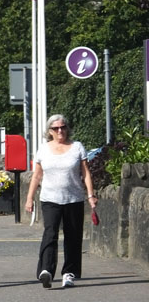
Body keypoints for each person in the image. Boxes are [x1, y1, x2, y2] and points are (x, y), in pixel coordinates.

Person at [25, 114, 97, 289]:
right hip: (50, 199)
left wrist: (90, 195)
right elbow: (36, 176)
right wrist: (29, 198)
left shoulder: (77, 147)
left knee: (73, 236)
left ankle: (69, 273)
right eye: (56, 128)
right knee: (50, 234)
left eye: (63, 127)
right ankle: (46, 271)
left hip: (74, 199)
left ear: (67, 128)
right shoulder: (43, 149)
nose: (60, 131)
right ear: (49, 131)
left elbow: (85, 173)